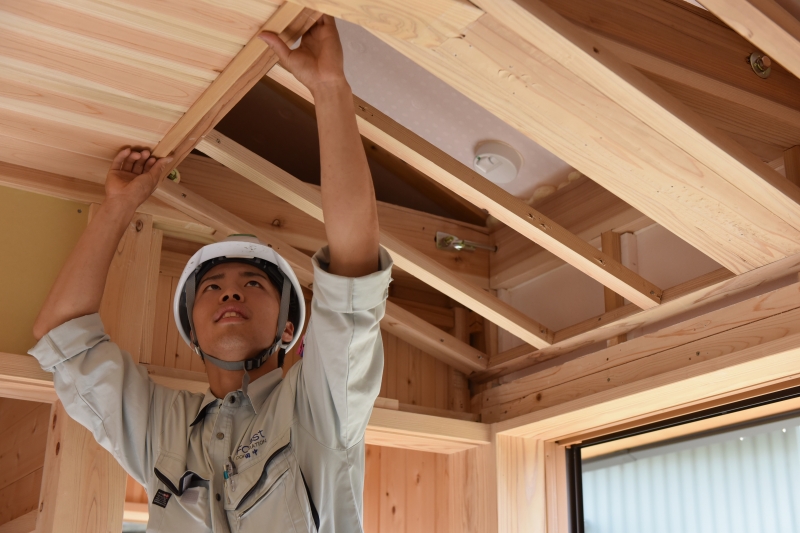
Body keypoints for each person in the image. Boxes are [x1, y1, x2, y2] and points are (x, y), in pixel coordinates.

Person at [29, 16, 391, 533]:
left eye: (253, 284)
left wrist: (330, 88)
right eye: (214, 287)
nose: (231, 293)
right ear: (193, 330)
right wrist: (117, 207)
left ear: (289, 330)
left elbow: (354, 274)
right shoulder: (162, 429)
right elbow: (65, 338)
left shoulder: (316, 407)